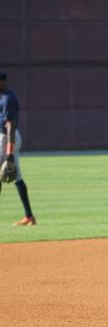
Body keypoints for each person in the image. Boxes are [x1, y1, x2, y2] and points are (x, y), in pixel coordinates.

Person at [0, 70, 37, 226]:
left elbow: (10, 127)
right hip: (4, 138)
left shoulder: (9, 98)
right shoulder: (2, 95)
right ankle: (29, 217)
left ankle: (29, 216)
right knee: (17, 177)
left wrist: (9, 155)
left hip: (8, 138)